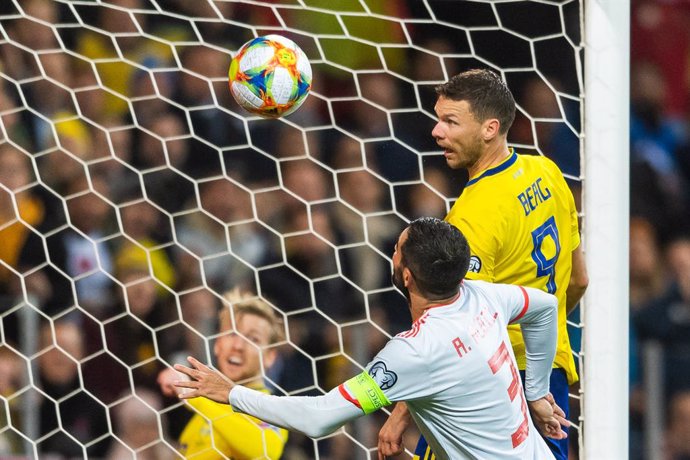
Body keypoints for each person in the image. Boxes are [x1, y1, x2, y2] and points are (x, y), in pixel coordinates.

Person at [172, 218, 568, 460]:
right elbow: (546, 307)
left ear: (407, 275)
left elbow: (320, 418)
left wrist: (230, 394)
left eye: (397, 250)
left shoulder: (412, 350)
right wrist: (535, 392)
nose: (392, 253)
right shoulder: (483, 296)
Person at [378, 68, 589, 460]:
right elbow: (579, 278)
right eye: (438, 119)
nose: (436, 132)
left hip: (491, 391)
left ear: (490, 128)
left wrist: (401, 413)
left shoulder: (470, 219)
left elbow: (457, 333)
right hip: (549, 379)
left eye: (450, 122)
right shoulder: (547, 172)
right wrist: (544, 328)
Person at [157, 289, 288, 459]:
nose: (238, 345)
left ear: (270, 357)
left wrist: (191, 395)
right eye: (232, 334)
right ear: (217, 344)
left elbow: (266, 450)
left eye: (253, 339)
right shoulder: (208, 411)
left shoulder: (271, 409)